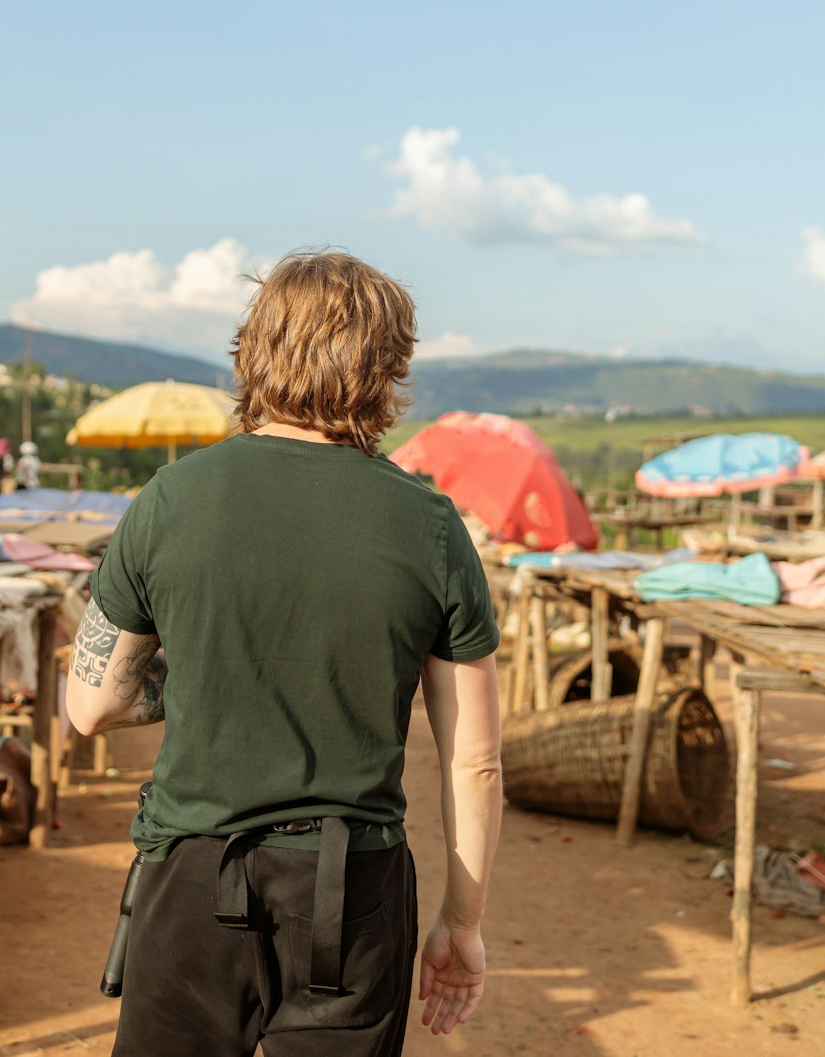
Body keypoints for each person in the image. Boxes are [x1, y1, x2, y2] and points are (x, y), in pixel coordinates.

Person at [65, 250, 501, 1055]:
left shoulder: (170, 499)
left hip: (192, 874)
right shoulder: (433, 525)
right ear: (387, 369)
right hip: (352, 886)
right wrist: (461, 922)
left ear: (253, 351)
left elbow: (91, 705)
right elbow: (473, 762)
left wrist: (192, 678)